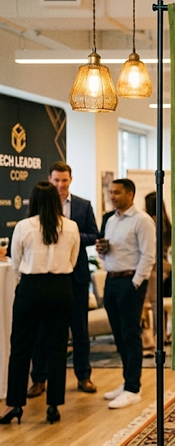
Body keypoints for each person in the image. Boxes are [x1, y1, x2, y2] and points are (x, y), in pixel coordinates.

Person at [1, 181, 79, 425]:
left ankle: (15, 405)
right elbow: (73, 260)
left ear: (32, 201)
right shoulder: (71, 226)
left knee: (21, 346)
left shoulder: (24, 226)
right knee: (57, 348)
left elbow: (16, 261)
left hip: (31, 288)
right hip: (61, 287)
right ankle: (53, 405)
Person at [26, 162, 100, 399]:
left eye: (64, 180)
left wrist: (70, 235)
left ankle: (83, 376)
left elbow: (94, 234)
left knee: (79, 330)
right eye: (56, 180)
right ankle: (39, 379)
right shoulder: (39, 205)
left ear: (71, 180)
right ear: (49, 179)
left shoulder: (82, 205)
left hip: (75, 276)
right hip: (46, 276)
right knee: (41, 331)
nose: (60, 185)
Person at [95, 178, 156, 408]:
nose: (112, 196)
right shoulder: (110, 220)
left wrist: (135, 283)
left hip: (130, 283)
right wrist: (102, 252)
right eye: (111, 192)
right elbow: (106, 253)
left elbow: (148, 255)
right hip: (111, 281)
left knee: (130, 335)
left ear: (130, 194)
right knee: (118, 335)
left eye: (117, 192)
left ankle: (134, 388)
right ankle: (126, 381)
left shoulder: (142, 221)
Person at [143, 191, 172, 350]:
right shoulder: (166, 221)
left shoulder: (150, 222)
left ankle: (156, 337)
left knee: (153, 304)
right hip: (167, 266)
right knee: (161, 303)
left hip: (154, 266)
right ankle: (165, 334)